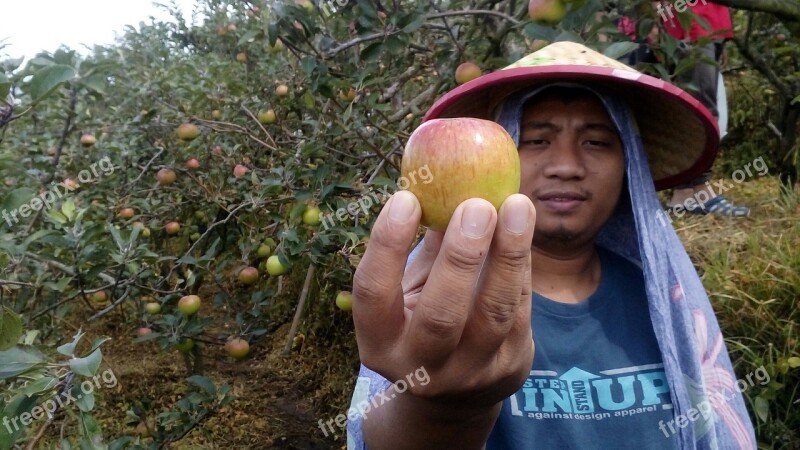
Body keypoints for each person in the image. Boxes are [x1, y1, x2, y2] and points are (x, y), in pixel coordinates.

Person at [344, 42, 757, 449]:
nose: (566, 167)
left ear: (629, 163)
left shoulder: (669, 303)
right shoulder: (445, 303)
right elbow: (387, 432)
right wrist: (446, 410)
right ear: (501, 157)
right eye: (537, 140)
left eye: (596, 142)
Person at [656, 0, 749, 216]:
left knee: (703, 107)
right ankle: (689, 190)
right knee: (698, 110)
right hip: (691, 27)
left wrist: (720, 38)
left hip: (709, 25)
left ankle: (693, 189)